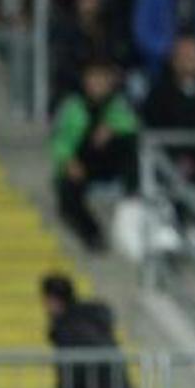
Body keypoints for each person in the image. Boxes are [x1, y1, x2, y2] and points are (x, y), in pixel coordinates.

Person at [51, 58, 139, 250]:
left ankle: (133, 192)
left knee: (129, 142)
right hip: (81, 162)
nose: (97, 84)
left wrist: (112, 128)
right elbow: (59, 140)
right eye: (93, 78)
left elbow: (133, 125)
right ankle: (92, 235)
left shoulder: (117, 105)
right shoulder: (72, 106)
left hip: (108, 162)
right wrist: (69, 161)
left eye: (102, 79)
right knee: (68, 190)